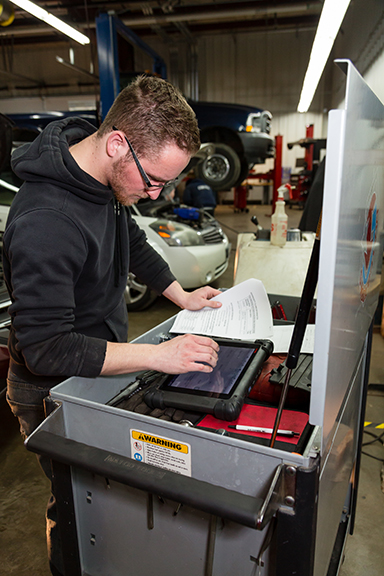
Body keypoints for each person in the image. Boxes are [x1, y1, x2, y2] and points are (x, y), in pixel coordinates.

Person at [2, 75, 221, 576]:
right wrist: (159, 355)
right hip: (50, 389)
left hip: (93, 367)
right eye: (154, 180)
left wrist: (181, 296)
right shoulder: (46, 222)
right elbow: (47, 349)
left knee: (100, 498)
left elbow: (134, 241)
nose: (155, 192)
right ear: (118, 143)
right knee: (74, 505)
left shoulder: (103, 177)